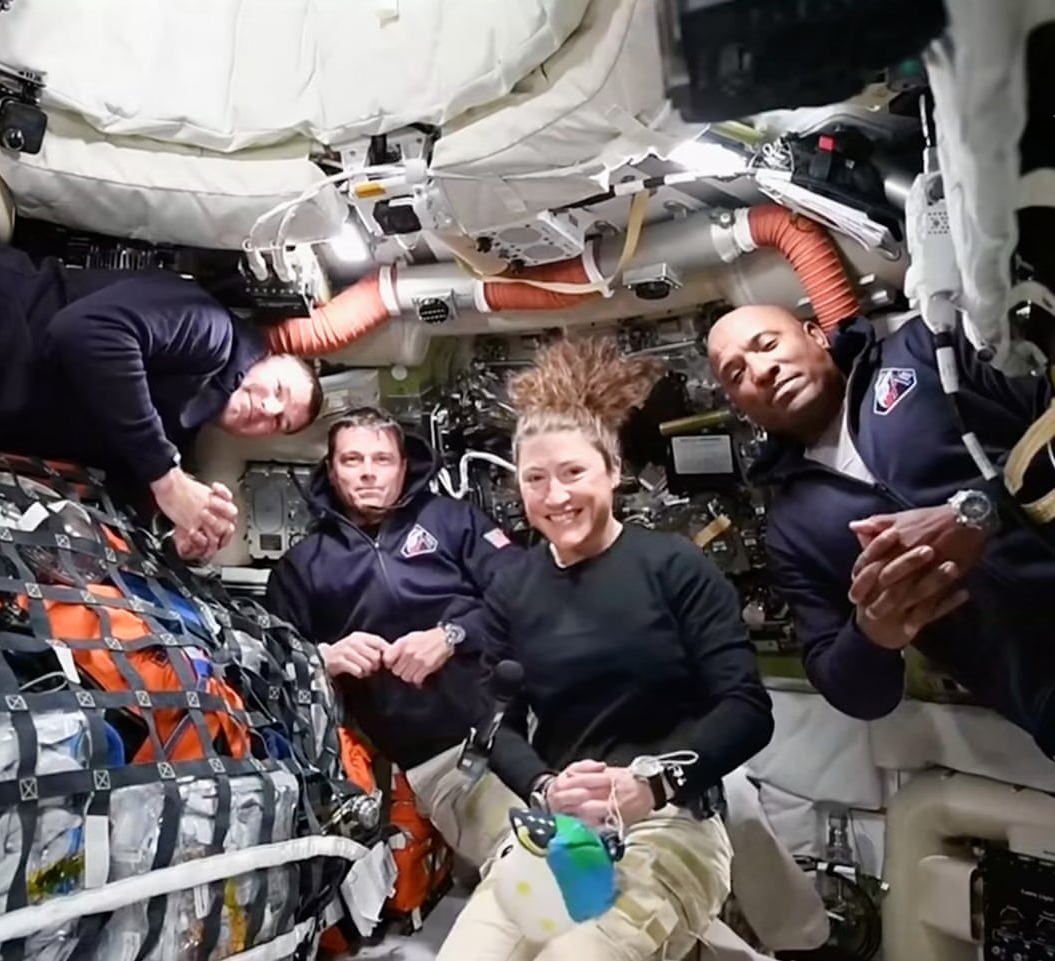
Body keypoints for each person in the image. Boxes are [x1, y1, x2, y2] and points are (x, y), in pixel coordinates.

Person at [437, 337, 775, 961]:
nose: (555, 496)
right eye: (535, 479)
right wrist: (543, 787)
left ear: (613, 473)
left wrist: (652, 784)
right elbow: (496, 722)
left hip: (671, 820)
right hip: (562, 829)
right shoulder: (513, 587)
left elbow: (747, 708)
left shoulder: (674, 567)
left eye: (573, 473)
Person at [0, 210, 323, 561]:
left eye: (278, 423)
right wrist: (168, 479)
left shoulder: (173, 428)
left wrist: (176, 530)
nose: (266, 409)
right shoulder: (211, 331)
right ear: (265, 357)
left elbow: (117, 482)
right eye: (278, 390)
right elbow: (86, 333)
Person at [707, 304, 1055, 756]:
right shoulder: (791, 529)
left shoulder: (926, 349)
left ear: (815, 335)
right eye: (736, 374)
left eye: (768, 344)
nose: (762, 370)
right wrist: (873, 632)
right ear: (738, 404)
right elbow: (855, 694)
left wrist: (979, 511)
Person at [263, 407, 525, 867]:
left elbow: (527, 597)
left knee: (606, 849)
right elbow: (269, 673)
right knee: (530, 859)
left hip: (522, 721)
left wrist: (453, 636)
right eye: (352, 460)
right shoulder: (303, 565)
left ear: (404, 467)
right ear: (331, 469)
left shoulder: (453, 522)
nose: (367, 473)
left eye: (381, 460)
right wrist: (322, 659)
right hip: (440, 759)